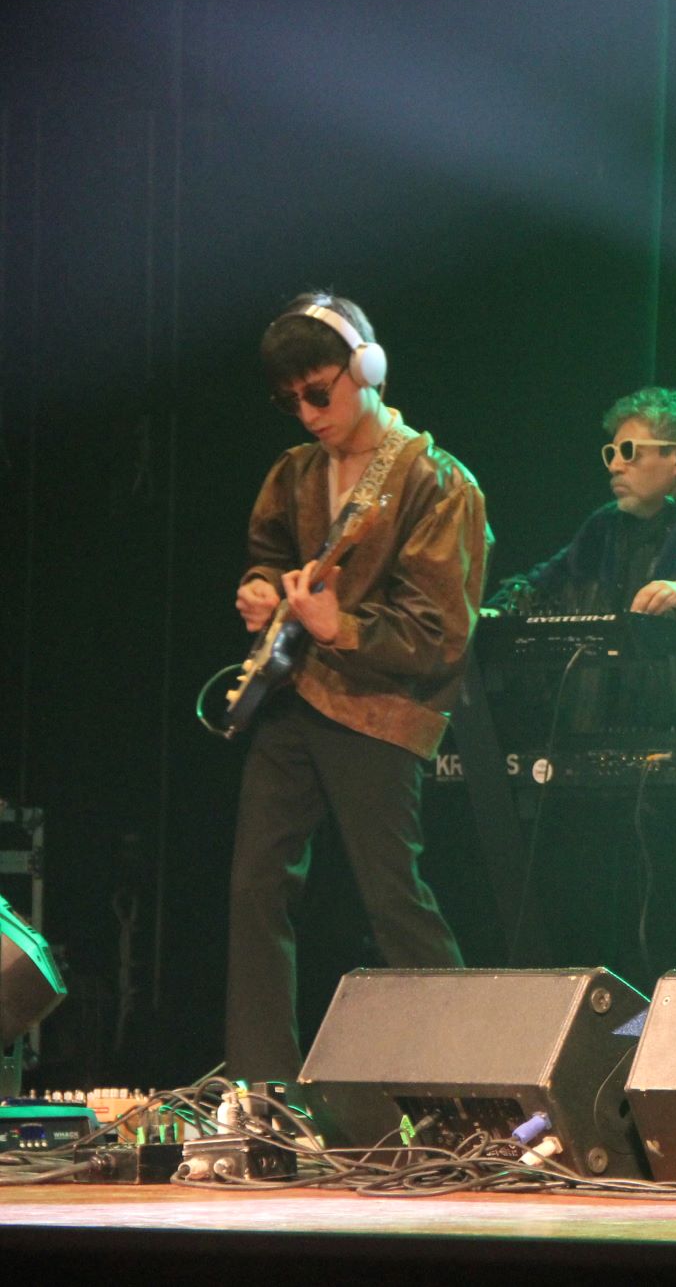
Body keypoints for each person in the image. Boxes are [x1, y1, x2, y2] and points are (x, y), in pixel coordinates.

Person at [227, 292, 490, 1083]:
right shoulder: (296, 472)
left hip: (381, 710)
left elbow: (441, 632)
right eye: (291, 401)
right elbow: (269, 550)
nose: (308, 414)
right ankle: (265, 1089)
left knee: (392, 899)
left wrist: (341, 625)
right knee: (255, 887)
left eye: (319, 392)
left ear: (367, 369)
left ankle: (470, 1080)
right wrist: (261, 590)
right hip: (294, 695)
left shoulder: (437, 481)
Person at [485, 387, 676, 976]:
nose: (615, 465)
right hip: (631, 749)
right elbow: (547, 579)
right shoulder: (605, 529)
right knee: (643, 919)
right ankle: (637, 1027)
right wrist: (501, 609)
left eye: (630, 451)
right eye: (611, 453)